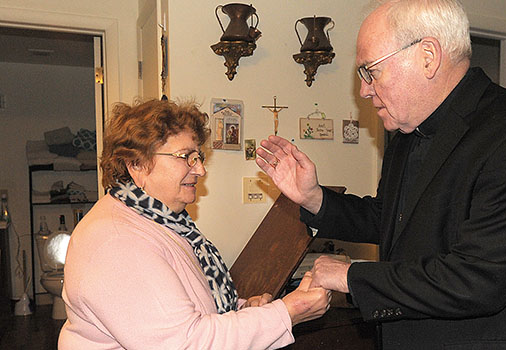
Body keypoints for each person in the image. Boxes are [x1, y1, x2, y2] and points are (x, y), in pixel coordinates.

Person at [256, 0, 506, 348]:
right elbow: (388, 218)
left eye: (370, 71)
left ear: (428, 56)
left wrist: (351, 276)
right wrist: (313, 196)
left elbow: (479, 279)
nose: (364, 90)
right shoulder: (407, 133)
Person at [58, 99, 330, 350]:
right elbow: (187, 342)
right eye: (186, 157)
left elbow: (191, 306)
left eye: (198, 156)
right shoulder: (118, 242)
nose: (200, 169)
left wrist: (245, 309)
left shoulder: (163, 221)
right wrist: (286, 313)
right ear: (137, 164)